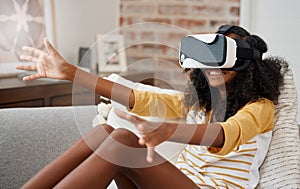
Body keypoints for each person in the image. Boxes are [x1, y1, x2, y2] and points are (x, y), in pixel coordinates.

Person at [16, 25, 287, 189]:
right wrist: (71, 72)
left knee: (123, 139)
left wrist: (169, 130)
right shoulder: (197, 103)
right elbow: (139, 98)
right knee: (106, 131)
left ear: (248, 68)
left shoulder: (259, 107)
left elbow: (226, 134)